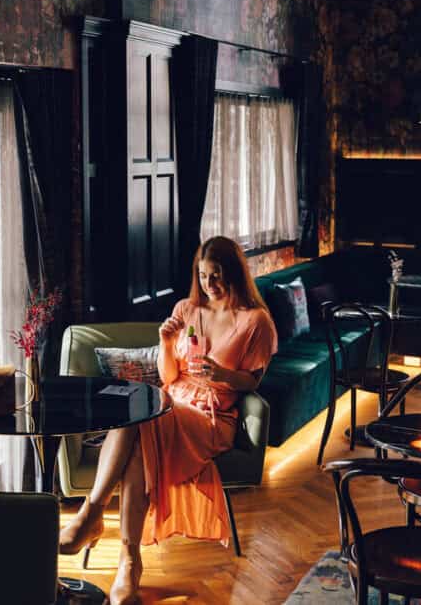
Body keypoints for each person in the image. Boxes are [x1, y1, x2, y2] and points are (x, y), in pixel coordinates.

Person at [59, 236, 278, 604]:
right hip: (171, 402)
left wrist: (221, 374)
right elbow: (168, 376)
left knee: (141, 416)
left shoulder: (256, 321)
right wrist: (164, 343)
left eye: (218, 276)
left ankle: (95, 517)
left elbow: (253, 382)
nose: (210, 285)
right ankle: (128, 561)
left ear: (235, 274)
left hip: (212, 415)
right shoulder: (187, 309)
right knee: (142, 422)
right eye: (204, 275)